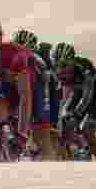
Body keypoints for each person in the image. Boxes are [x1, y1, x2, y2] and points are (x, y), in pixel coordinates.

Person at [0, 18, 56, 160]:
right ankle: (0, 155)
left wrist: (22, 135)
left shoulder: (14, 54)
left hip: (35, 82)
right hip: (6, 81)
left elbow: (25, 95)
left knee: (41, 135)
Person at [52, 42, 96, 161]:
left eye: (64, 65)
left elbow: (88, 96)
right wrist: (62, 116)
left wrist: (77, 113)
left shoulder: (84, 67)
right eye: (57, 64)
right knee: (66, 123)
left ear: (72, 62)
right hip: (79, 93)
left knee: (88, 131)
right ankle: (80, 150)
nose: (60, 68)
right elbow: (63, 97)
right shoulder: (59, 71)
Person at [12, 28, 61, 156]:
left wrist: (40, 118)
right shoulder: (15, 58)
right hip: (29, 95)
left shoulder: (38, 62)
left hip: (44, 97)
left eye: (20, 47)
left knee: (41, 135)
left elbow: (44, 93)